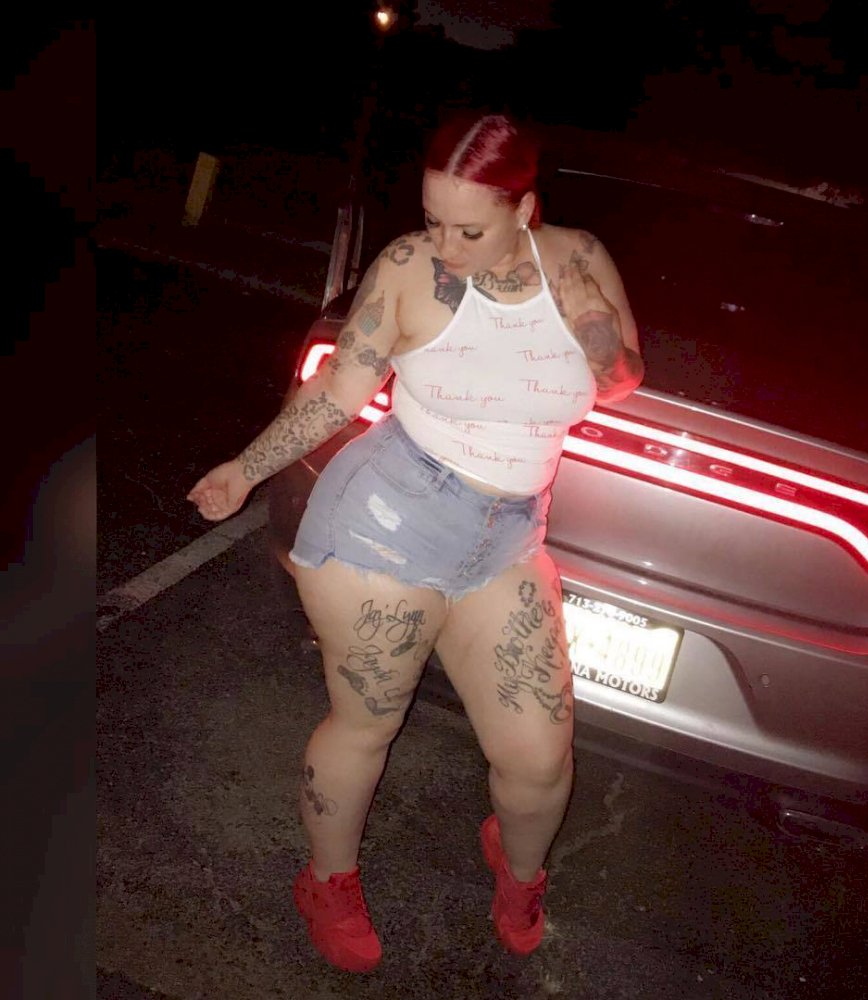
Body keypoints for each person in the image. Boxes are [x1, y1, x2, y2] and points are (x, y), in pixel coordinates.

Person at [187, 112, 644, 972]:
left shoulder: (581, 258)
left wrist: (591, 325)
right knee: (369, 722)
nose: (446, 246)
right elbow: (338, 388)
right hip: (388, 522)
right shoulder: (406, 269)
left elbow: (621, 380)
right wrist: (245, 470)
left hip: (507, 539)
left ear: (525, 211)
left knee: (540, 760)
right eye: (435, 221)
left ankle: (520, 871)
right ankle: (327, 880)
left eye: (469, 230)